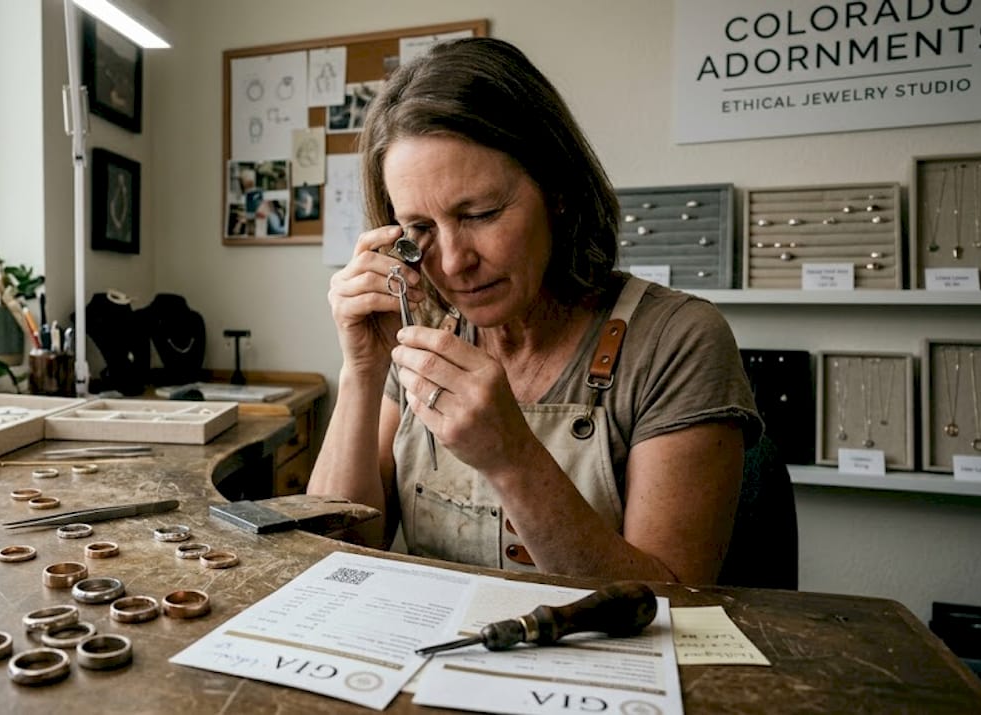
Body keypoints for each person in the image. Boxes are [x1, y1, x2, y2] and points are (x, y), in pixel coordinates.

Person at [307, 38, 762, 584]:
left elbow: (674, 604)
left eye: (479, 213)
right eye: (421, 229)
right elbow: (337, 553)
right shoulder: (420, 329)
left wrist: (510, 458)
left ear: (558, 189)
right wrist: (360, 372)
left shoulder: (678, 340)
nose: (453, 263)